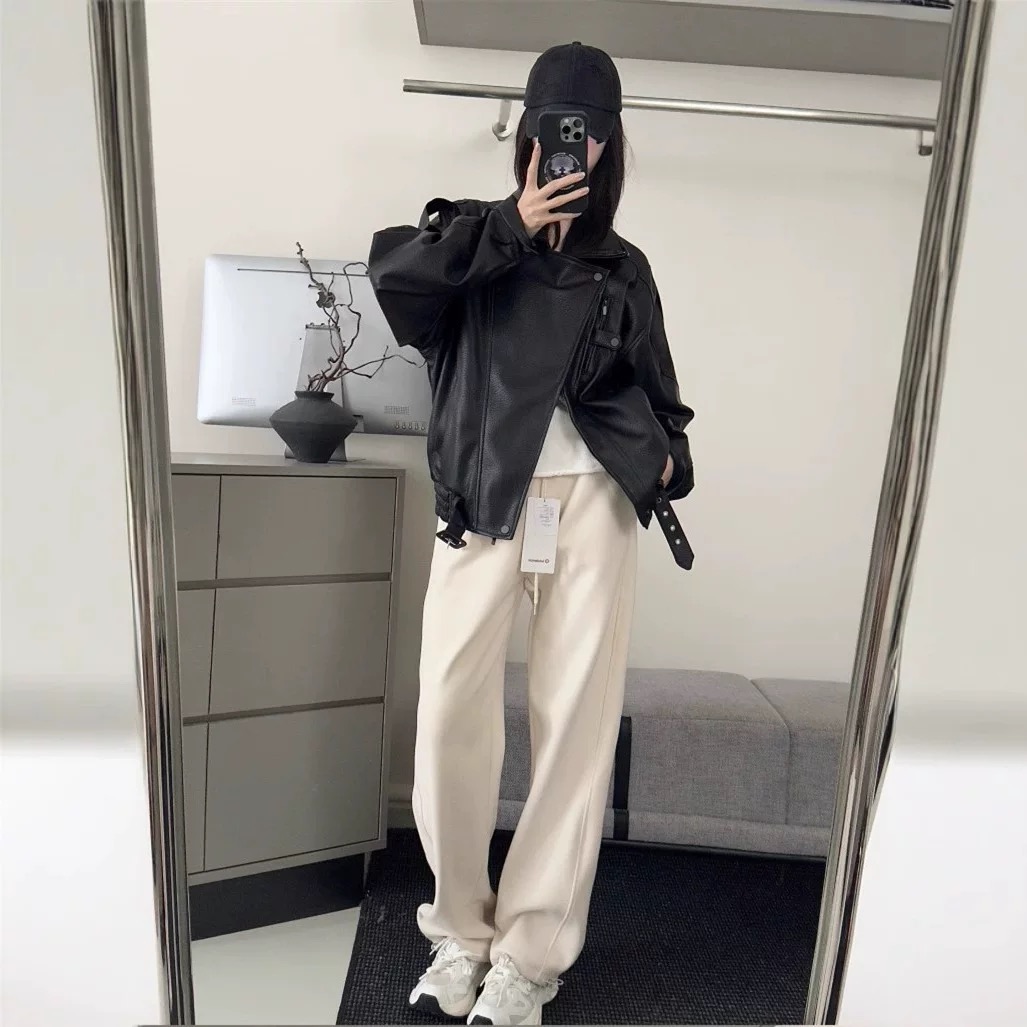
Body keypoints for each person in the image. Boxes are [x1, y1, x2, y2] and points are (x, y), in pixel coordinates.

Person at [368, 41, 694, 1027]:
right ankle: (458, 934)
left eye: (591, 133)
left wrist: (665, 458)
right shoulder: (468, 239)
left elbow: (664, 400)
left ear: (610, 146)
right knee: (449, 713)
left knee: (574, 726)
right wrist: (511, 226)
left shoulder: (623, 269)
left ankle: (529, 956)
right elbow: (396, 286)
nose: (574, 148)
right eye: (560, 127)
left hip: (591, 504)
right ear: (528, 131)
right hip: (483, 500)